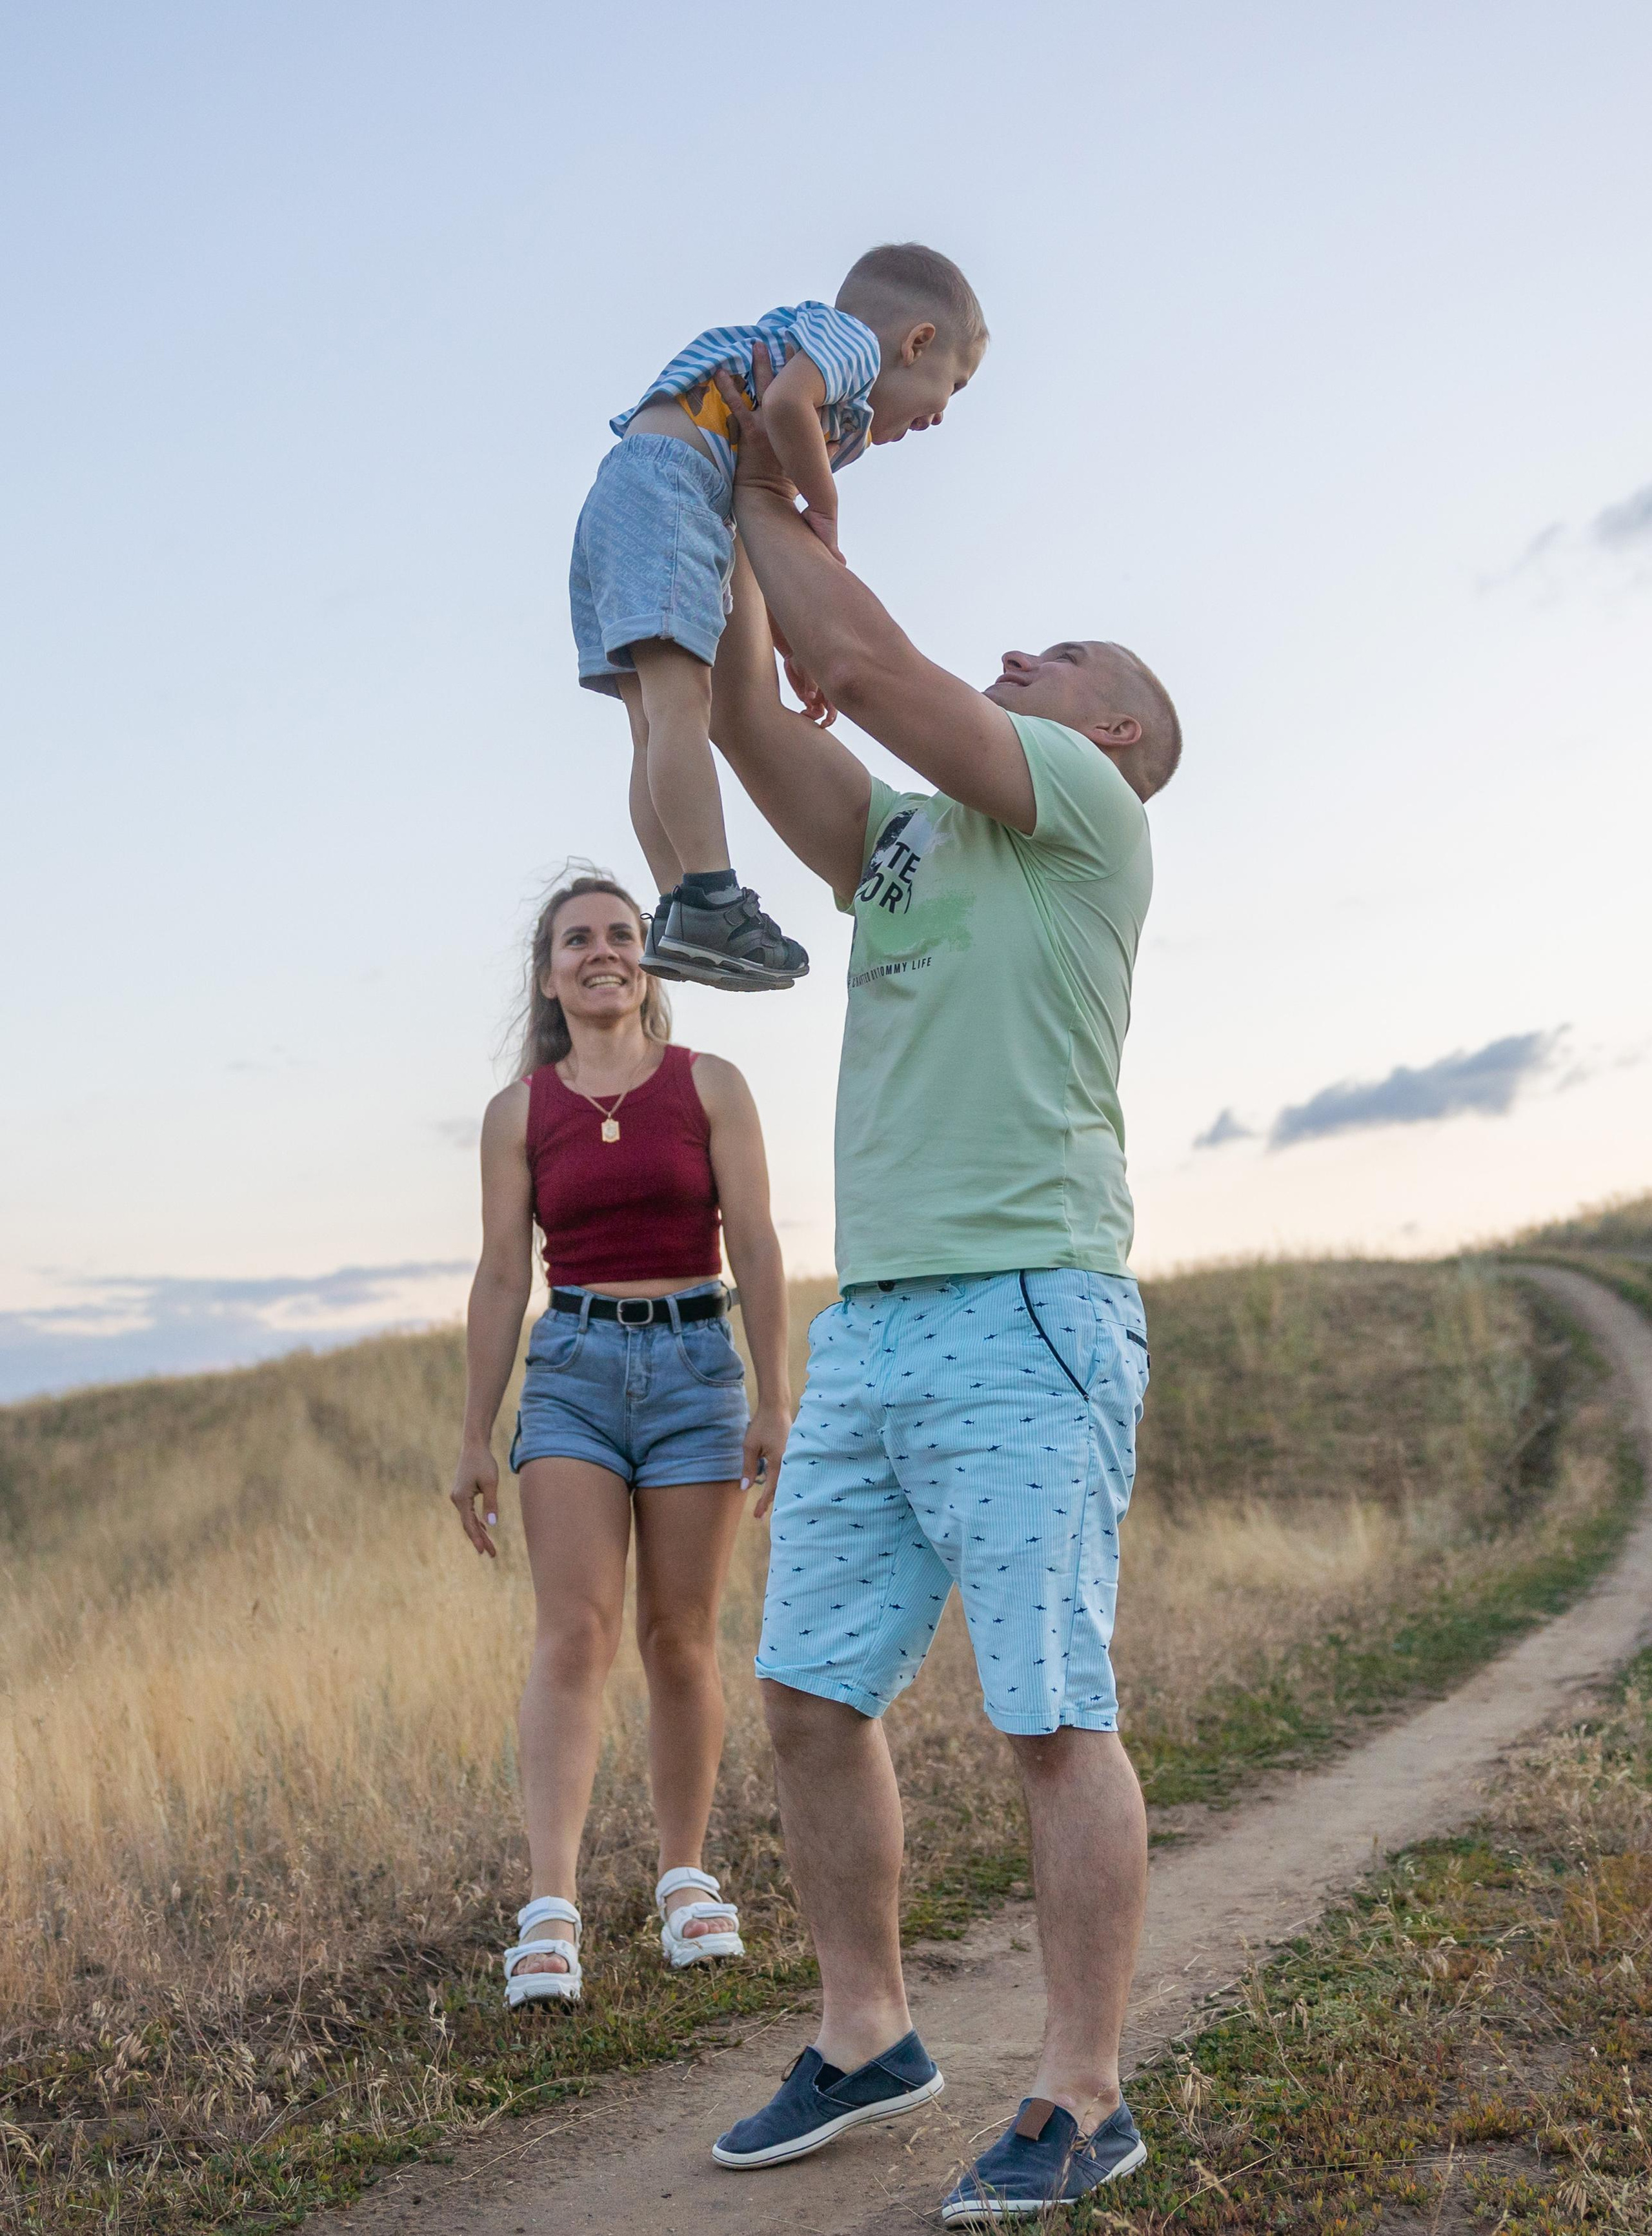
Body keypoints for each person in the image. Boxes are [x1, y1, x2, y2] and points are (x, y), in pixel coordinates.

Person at [700, 356, 1182, 2220]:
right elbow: (759, 714)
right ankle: (866, 2029)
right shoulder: (906, 843)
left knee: (1051, 1712)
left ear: (1118, 733)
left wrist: (763, 477)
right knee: (811, 1694)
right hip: (882, 1321)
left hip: (1030, 1310)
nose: (1020, 661)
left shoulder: (1081, 812)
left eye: (1059, 657)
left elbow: (880, 670)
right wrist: (705, 529)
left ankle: (1082, 2091)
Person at [448, 872, 792, 2008]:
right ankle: (550, 1910)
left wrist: (774, 1396)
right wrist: (474, 1434)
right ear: (549, 973)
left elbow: (756, 1237)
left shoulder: (711, 1086)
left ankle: (685, 1880)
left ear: (650, 960)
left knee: (681, 1637)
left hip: (698, 1370)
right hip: (574, 1377)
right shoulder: (522, 1110)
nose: (602, 950)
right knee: (575, 1631)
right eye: (577, 938)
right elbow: (503, 1274)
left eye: (622, 935)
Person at [570, 243, 988, 993]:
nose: (939, 417)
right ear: (916, 341)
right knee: (679, 709)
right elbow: (785, 405)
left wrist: (789, 641)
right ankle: (709, 897)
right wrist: (824, 512)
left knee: (653, 719)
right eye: (951, 385)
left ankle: (679, 909)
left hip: (639, 494)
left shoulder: (834, 401)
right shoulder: (847, 343)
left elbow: (751, 518)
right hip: (674, 484)